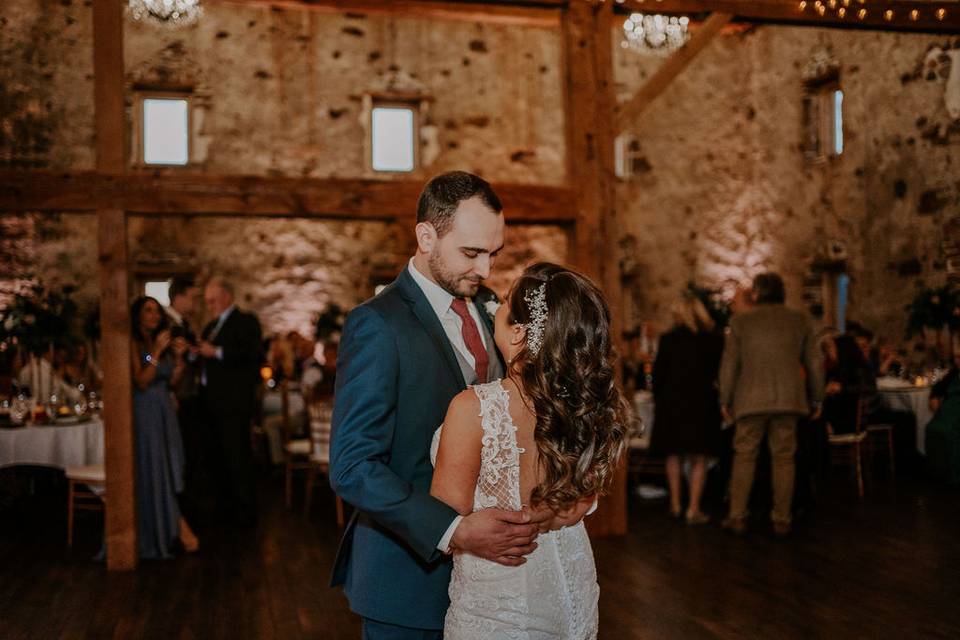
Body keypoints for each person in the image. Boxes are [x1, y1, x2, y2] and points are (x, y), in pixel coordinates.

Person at [329, 172, 558, 640]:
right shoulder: (377, 324)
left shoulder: (494, 306)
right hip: (408, 577)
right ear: (426, 236)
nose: (485, 270)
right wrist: (453, 530)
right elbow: (352, 465)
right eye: (471, 253)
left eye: (493, 254)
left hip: (493, 586)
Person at [430, 262, 629, 639]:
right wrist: (555, 512)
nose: (497, 306)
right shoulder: (586, 406)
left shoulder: (472, 408)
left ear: (520, 333)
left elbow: (444, 518)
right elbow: (580, 500)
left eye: (505, 301)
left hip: (502, 605)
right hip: (573, 591)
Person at [719, 272, 823, 537]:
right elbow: (814, 363)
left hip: (750, 399)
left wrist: (725, 399)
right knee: (785, 457)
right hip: (790, 399)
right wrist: (817, 397)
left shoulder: (741, 322)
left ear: (756, 293)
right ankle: (782, 519)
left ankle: (737, 516)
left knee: (744, 455)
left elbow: (729, 366)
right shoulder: (800, 320)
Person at [130, 296, 198, 558]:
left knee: (169, 466)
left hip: (164, 410)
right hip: (145, 410)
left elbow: (172, 381)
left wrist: (179, 360)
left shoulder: (160, 340)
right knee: (154, 467)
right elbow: (142, 381)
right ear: (138, 315)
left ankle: (170, 525)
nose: (154, 316)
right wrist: (157, 353)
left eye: (157, 311)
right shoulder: (134, 343)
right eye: (148, 311)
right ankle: (167, 528)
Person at [650, 295, 723, 525]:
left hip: (673, 403)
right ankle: (693, 508)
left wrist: (660, 398)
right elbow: (719, 373)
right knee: (699, 457)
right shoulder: (713, 340)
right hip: (702, 403)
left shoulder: (669, 339)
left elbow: (658, 375)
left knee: (674, 455)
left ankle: (675, 505)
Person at [198, 277, 263, 527]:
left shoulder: (245, 322)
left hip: (233, 404)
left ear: (226, 296)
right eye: (207, 302)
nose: (210, 305)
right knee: (218, 459)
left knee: (238, 458)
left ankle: (246, 514)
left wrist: (215, 352)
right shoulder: (211, 326)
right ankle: (224, 510)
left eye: (212, 300)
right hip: (210, 403)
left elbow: (253, 354)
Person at [926, 340, 960, 484]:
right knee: (931, 428)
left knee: (949, 431)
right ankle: (938, 472)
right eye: (956, 358)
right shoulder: (954, 373)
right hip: (949, 410)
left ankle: (954, 474)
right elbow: (939, 386)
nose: (958, 361)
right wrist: (934, 397)